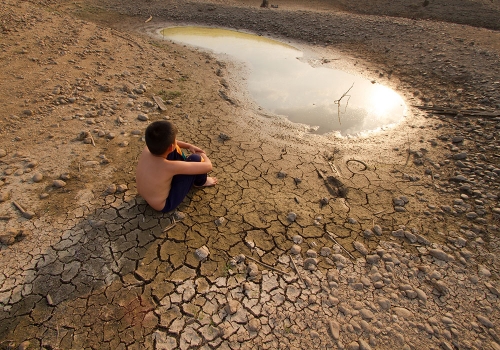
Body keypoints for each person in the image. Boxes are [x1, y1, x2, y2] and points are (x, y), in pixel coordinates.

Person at [136, 120, 217, 213]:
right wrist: (203, 155)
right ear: (170, 146)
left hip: (146, 195)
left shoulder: (147, 149)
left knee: (171, 149)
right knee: (196, 158)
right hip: (164, 204)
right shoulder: (170, 167)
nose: (176, 141)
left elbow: (172, 144)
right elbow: (208, 166)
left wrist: (189, 146)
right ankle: (200, 182)